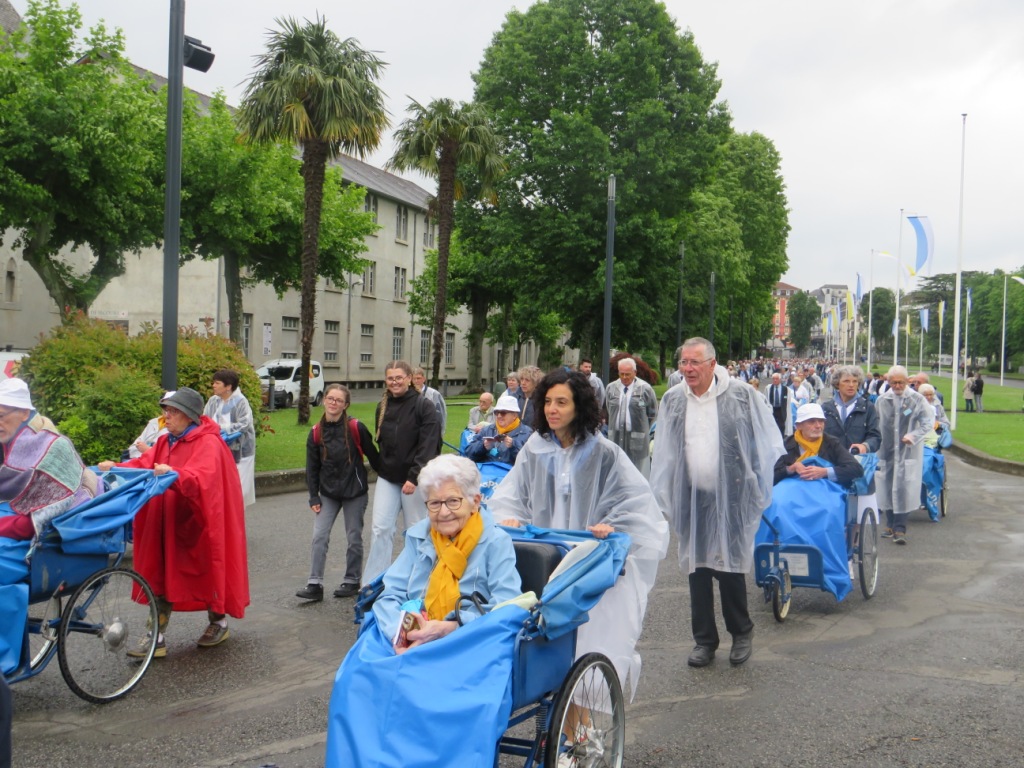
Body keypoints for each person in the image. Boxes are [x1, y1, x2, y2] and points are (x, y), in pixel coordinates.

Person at [324, 455, 523, 767]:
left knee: (435, 696)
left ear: (475, 501)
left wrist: (450, 627)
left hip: (465, 640)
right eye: (434, 503)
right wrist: (401, 632)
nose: (443, 512)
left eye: (453, 501)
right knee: (354, 679)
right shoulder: (420, 536)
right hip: (411, 635)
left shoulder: (495, 542)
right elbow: (390, 594)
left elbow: (508, 606)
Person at [490, 368, 668, 696]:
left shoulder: (604, 453)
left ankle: (582, 718)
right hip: (548, 560)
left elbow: (635, 503)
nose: (552, 409)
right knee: (549, 643)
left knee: (588, 642)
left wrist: (612, 525)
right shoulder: (534, 449)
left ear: (579, 406)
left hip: (588, 562)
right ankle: (563, 716)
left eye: (562, 402)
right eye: (547, 402)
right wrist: (510, 518)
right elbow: (511, 495)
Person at [650, 337, 785, 669]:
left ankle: (741, 632)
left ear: (712, 364)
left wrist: (755, 484)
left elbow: (765, 441)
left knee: (730, 567)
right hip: (691, 495)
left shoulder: (740, 395)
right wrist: (665, 492)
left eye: (694, 362)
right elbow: (665, 450)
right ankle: (705, 640)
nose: (688, 369)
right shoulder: (673, 399)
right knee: (697, 570)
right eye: (683, 362)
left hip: (734, 495)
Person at [98, 387, 249, 655]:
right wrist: (117, 468)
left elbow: (203, 480)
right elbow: (144, 464)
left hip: (197, 524)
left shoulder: (209, 443)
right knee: (161, 574)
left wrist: (175, 474)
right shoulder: (166, 441)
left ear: (190, 416)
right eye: (166, 410)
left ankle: (218, 621)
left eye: (173, 411)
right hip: (166, 521)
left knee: (207, 571)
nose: (166, 416)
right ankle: (155, 636)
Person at [296, 384, 380, 602]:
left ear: (346, 405)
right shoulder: (316, 432)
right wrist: (314, 496)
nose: (333, 403)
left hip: (355, 491)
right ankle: (314, 584)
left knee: (354, 537)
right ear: (324, 400)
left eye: (339, 400)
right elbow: (312, 467)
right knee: (319, 536)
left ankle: (352, 580)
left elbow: (374, 457)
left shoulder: (355, 427)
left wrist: (392, 477)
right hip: (328, 493)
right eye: (330, 398)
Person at [362, 361, 441, 584]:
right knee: (380, 529)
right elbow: (383, 444)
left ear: (409, 379)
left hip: (415, 479)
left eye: (399, 377)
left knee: (415, 530)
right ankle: (374, 582)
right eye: (390, 378)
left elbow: (429, 445)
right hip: (388, 477)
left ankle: (417, 580)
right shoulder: (382, 407)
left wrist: (414, 476)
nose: (394, 382)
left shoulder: (424, 406)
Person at [0, 378, 101, 541]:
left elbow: (38, 520)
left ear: (24, 413)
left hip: (54, 527)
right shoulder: (8, 440)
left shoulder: (53, 448)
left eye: (1, 415)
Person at [874, 366, 932, 545]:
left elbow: (927, 422)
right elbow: (876, 423)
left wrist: (912, 436)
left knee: (903, 488)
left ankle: (900, 528)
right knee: (886, 485)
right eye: (893, 383)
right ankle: (890, 524)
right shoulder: (882, 400)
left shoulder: (917, 400)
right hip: (886, 450)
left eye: (900, 382)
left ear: (907, 381)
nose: (897, 386)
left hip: (908, 452)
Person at [774, 403, 864, 487]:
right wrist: (791, 468)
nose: (818, 426)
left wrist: (825, 472)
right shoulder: (787, 445)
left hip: (824, 491)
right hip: (794, 491)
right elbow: (771, 476)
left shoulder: (832, 443)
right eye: (811, 421)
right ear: (799, 426)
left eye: (821, 421)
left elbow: (856, 469)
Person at [203, 369, 257, 507]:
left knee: (239, 489)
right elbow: (205, 420)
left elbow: (244, 424)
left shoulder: (241, 402)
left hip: (240, 452)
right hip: (217, 449)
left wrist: (220, 429)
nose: (213, 385)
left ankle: (236, 514)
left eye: (217, 383)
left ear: (228, 386)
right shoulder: (213, 401)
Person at [606, 357, 658, 477]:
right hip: (616, 436)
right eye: (621, 374)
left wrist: (644, 428)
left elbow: (652, 413)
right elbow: (609, 409)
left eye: (628, 374)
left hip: (637, 438)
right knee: (617, 470)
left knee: (636, 472)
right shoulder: (611, 388)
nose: (624, 377)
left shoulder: (645, 389)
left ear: (635, 372)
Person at [464, 394, 532, 465]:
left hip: (512, 471)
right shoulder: (487, 430)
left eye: (503, 413)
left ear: (514, 415)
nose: (499, 416)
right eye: (497, 412)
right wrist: (483, 446)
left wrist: (513, 446)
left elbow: (530, 462)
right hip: (487, 470)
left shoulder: (527, 433)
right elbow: (468, 454)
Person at [412, 367, 447, 446]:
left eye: (418, 378)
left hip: (431, 435)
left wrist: (439, 435)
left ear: (423, 379)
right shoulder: (409, 394)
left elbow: (440, 416)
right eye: (414, 379)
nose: (416, 381)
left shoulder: (434, 394)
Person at [766, 372, 791, 436]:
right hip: (772, 409)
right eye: (773, 379)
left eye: (776, 379)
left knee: (781, 426)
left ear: (780, 380)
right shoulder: (769, 388)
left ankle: (782, 438)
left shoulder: (785, 389)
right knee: (772, 425)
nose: (775, 380)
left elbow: (788, 401)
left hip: (781, 410)